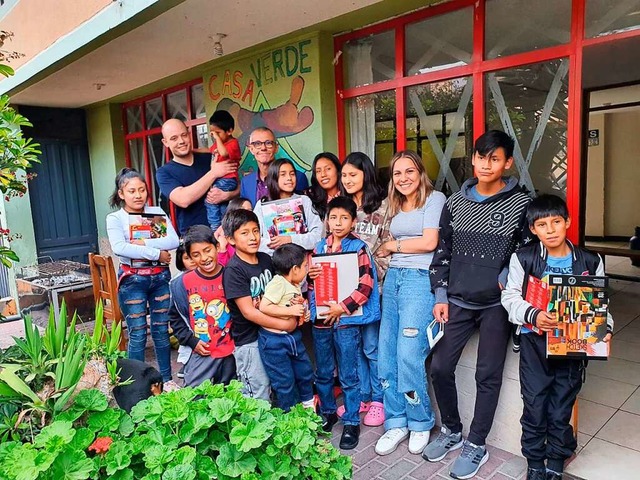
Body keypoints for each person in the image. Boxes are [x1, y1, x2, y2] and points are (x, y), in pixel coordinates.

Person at [425, 130, 533, 480]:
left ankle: (477, 444)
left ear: (507, 162)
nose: (487, 164)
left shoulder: (521, 204)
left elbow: (528, 253)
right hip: (456, 300)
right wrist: (440, 296)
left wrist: (506, 272)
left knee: (488, 375)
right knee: (440, 367)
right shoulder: (455, 203)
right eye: (481, 157)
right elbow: (442, 254)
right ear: (472, 158)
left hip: (496, 307)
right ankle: (452, 430)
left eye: (495, 158)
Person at [501, 195, 613, 480]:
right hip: (534, 343)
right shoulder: (524, 258)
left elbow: (601, 304)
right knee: (535, 403)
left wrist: (605, 329)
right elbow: (510, 296)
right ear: (533, 229)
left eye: (556, 222)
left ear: (568, 222)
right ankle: (535, 462)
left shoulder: (590, 260)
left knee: (562, 404)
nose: (550, 229)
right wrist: (533, 315)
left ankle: (556, 460)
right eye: (542, 224)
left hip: (572, 344)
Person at [372, 151, 446, 456]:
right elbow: (377, 240)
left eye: (409, 171)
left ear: (420, 173)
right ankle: (396, 421)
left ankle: (420, 422)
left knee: (407, 354)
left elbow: (429, 242)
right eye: (397, 173)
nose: (403, 178)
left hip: (419, 278)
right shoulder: (393, 205)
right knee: (386, 354)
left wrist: (393, 245)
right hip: (393, 280)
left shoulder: (435, 198)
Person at [308, 196, 380, 451]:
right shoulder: (317, 249)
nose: (338, 223)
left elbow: (366, 286)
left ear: (353, 222)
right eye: (334, 217)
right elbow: (310, 286)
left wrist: (343, 306)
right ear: (327, 220)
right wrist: (310, 276)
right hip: (322, 321)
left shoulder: (358, 248)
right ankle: (327, 412)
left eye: (344, 218)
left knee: (349, 374)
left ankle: (350, 421)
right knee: (324, 371)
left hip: (347, 321)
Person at [106, 168, 179, 386]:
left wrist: (143, 243)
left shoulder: (155, 212)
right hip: (132, 282)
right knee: (137, 334)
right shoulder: (116, 218)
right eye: (131, 191)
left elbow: (173, 241)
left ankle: (167, 381)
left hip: (159, 279)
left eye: (142, 189)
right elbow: (120, 248)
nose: (138, 195)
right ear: (121, 194)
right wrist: (156, 253)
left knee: (161, 332)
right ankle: (136, 384)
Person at [221, 209, 296, 401]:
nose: (253, 237)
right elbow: (249, 312)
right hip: (250, 341)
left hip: (271, 336)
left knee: (281, 384)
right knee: (258, 392)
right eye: (244, 233)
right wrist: (286, 325)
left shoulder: (265, 259)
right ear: (231, 239)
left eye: (255, 231)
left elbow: (283, 288)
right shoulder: (234, 270)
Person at [339, 151, 390, 427]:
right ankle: (361, 396)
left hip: (372, 292)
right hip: (345, 294)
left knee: (372, 346)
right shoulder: (340, 208)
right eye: (344, 175)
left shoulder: (381, 209)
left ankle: (379, 401)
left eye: (353, 174)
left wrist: (366, 273)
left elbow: (386, 250)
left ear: (366, 174)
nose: (347, 180)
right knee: (354, 346)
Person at [168, 225, 236, 387]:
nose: (204, 258)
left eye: (207, 250)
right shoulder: (181, 284)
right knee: (194, 396)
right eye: (196, 255)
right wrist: (191, 341)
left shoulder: (232, 276)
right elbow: (175, 317)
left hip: (232, 351)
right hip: (202, 351)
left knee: (232, 397)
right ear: (190, 258)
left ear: (217, 247)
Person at [258, 244, 315, 412]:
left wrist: (302, 313)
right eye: (305, 266)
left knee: (304, 371)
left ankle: (308, 407)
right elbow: (264, 306)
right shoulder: (278, 283)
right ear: (294, 269)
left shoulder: (294, 284)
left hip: (292, 337)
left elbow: (292, 304)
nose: (307, 269)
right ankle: (289, 419)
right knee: (284, 381)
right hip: (275, 341)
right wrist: (290, 310)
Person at [156, 119, 238, 235]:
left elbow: (238, 186)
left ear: (189, 134)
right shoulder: (164, 172)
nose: (181, 141)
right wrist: (213, 173)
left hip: (226, 231)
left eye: (184, 135)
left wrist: (227, 195)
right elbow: (183, 200)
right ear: (165, 142)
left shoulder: (210, 157)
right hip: (194, 236)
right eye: (174, 138)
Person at [253, 158, 322, 256]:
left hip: (301, 262)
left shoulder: (304, 200)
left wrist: (290, 240)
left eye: (292, 174)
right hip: (272, 263)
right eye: (283, 174)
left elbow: (318, 236)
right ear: (274, 177)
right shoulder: (261, 204)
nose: (289, 178)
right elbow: (255, 239)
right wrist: (278, 245)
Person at [240, 127, 309, 207]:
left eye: (268, 143)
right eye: (257, 144)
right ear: (251, 149)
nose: (263, 148)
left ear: (276, 148)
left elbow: (304, 211)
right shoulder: (246, 182)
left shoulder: (297, 177)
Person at [205, 110, 242, 231]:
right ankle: (223, 227)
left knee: (210, 200)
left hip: (228, 179)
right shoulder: (218, 144)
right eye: (212, 133)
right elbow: (208, 150)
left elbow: (224, 153)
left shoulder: (233, 143)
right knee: (221, 206)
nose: (215, 135)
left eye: (218, 132)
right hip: (221, 178)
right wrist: (193, 151)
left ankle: (215, 227)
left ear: (230, 131)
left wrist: (216, 139)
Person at [214, 196, 252, 267]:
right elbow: (221, 267)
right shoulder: (223, 237)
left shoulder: (254, 233)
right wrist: (222, 249)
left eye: (250, 210)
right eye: (242, 210)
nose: (247, 213)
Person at [307, 152, 342, 220]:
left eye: (328, 169)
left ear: (337, 170)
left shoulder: (349, 195)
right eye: (318, 171)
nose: (323, 174)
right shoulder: (310, 198)